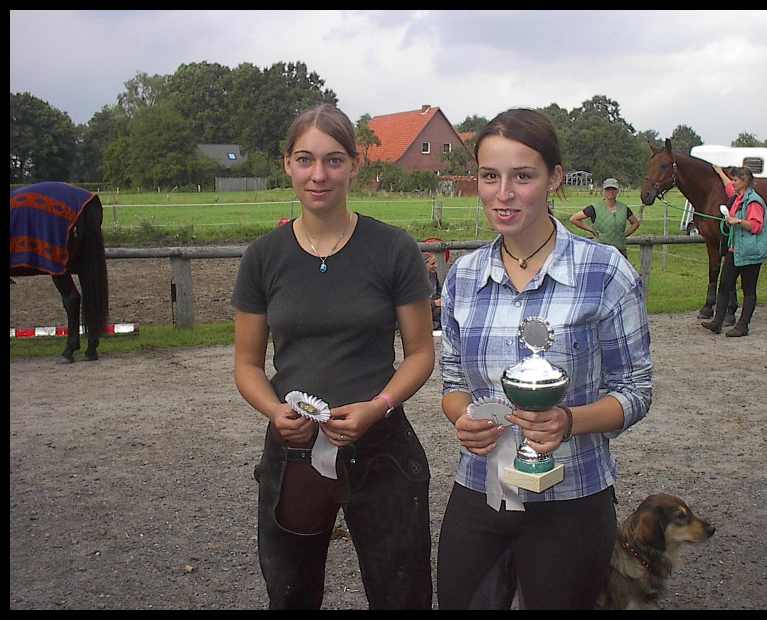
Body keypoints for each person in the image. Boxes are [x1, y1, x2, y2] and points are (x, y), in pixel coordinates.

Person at [436, 109, 653, 609]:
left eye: (522, 176)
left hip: (573, 498)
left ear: (555, 178)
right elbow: (453, 385)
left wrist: (569, 421)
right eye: (489, 176)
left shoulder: (605, 273)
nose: (503, 194)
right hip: (481, 488)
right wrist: (464, 419)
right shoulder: (463, 277)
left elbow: (636, 390)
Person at [232, 104, 435, 609]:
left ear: (354, 165)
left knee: (401, 595)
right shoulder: (263, 258)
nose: (318, 175)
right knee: (292, 595)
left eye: (333, 160)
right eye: (305, 159)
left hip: (382, 448)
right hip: (294, 449)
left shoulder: (394, 249)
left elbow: (420, 353)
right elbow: (247, 365)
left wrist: (378, 407)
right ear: (287, 164)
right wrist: (275, 412)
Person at [701, 165, 767, 337]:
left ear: (744, 182)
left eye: (735, 180)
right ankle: (717, 322)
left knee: (748, 289)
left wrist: (737, 221)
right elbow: (728, 187)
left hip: (750, 252)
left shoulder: (754, 202)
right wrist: (719, 172)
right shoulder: (738, 198)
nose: (732, 183)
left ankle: (743, 326)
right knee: (724, 284)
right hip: (735, 249)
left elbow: (756, 226)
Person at [569, 177, 640, 258]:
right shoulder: (594, 208)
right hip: (601, 250)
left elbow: (635, 223)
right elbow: (574, 219)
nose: (610, 192)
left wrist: (624, 235)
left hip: (620, 251)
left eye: (613, 189)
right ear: (603, 191)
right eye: (608, 189)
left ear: (617, 191)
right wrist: (591, 230)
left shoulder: (624, 208)